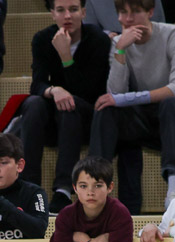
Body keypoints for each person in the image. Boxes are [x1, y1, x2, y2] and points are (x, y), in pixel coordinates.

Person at [87, 0, 175, 214]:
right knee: (106, 109)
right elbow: (115, 94)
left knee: (170, 104)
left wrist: (124, 99)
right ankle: (94, 183)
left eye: (135, 12)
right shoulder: (119, 43)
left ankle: (173, 188)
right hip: (149, 117)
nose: (127, 19)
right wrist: (120, 50)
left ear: (151, 12)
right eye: (122, 12)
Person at [19, 0, 111, 214]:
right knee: (33, 104)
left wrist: (66, 57)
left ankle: (63, 190)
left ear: (84, 12)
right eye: (61, 10)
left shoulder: (98, 39)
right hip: (54, 119)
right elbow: (37, 84)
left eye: (73, 9)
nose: (67, 15)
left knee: (71, 105)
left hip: (88, 118)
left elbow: (89, 91)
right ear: (52, 14)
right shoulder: (43, 38)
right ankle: (29, 188)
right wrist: (54, 90)